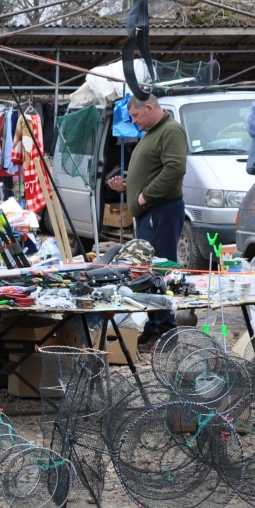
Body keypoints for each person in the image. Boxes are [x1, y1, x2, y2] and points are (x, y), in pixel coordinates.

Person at [107, 94, 188, 345]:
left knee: (159, 270)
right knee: (147, 270)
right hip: (150, 213)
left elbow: (175, 169)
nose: (133, 121)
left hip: (160, 211)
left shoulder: (171, 131)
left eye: (135, 116)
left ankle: (166, 332)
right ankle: (154, 325)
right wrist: (127, 186)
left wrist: (143, 196)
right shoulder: (152, 132)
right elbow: (151, 171)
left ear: (149, 108)